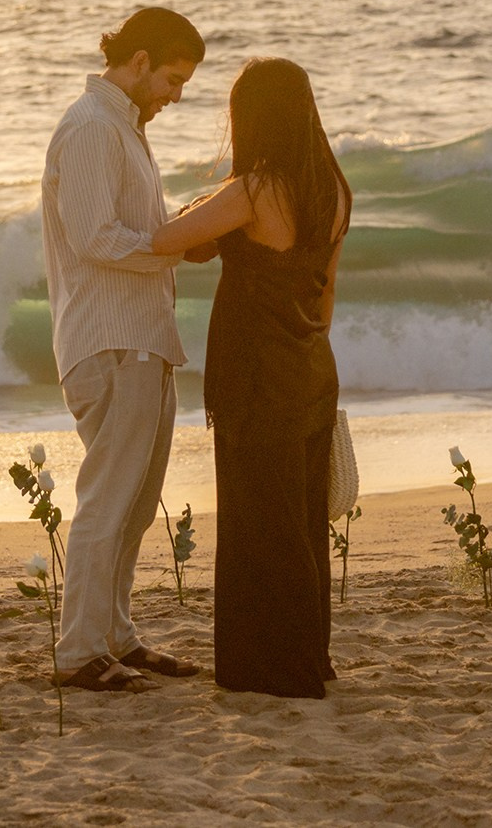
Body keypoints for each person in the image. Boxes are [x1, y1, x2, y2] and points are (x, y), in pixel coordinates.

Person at [149, 57, 352, 698]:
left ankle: (273, 670)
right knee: (299, 522)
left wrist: (206, 215)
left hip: (258, 374)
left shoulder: (256, 189)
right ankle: (305, 658)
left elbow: (163, 239)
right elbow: (324, 303)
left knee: (258, 523)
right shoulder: (335, 190)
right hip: (313, 369)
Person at [41, 6, 210, 694]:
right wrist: (171, 244)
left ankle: (115, 635)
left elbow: (129, 232)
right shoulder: (90, 127)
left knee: (137, 504)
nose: (176, 94)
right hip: (109, 340)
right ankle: (79, 650)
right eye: (172, 78)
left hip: (142, 338)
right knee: (109, 500)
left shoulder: (124, 128)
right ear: (138, 61)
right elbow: (94, 238)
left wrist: (181, 231)